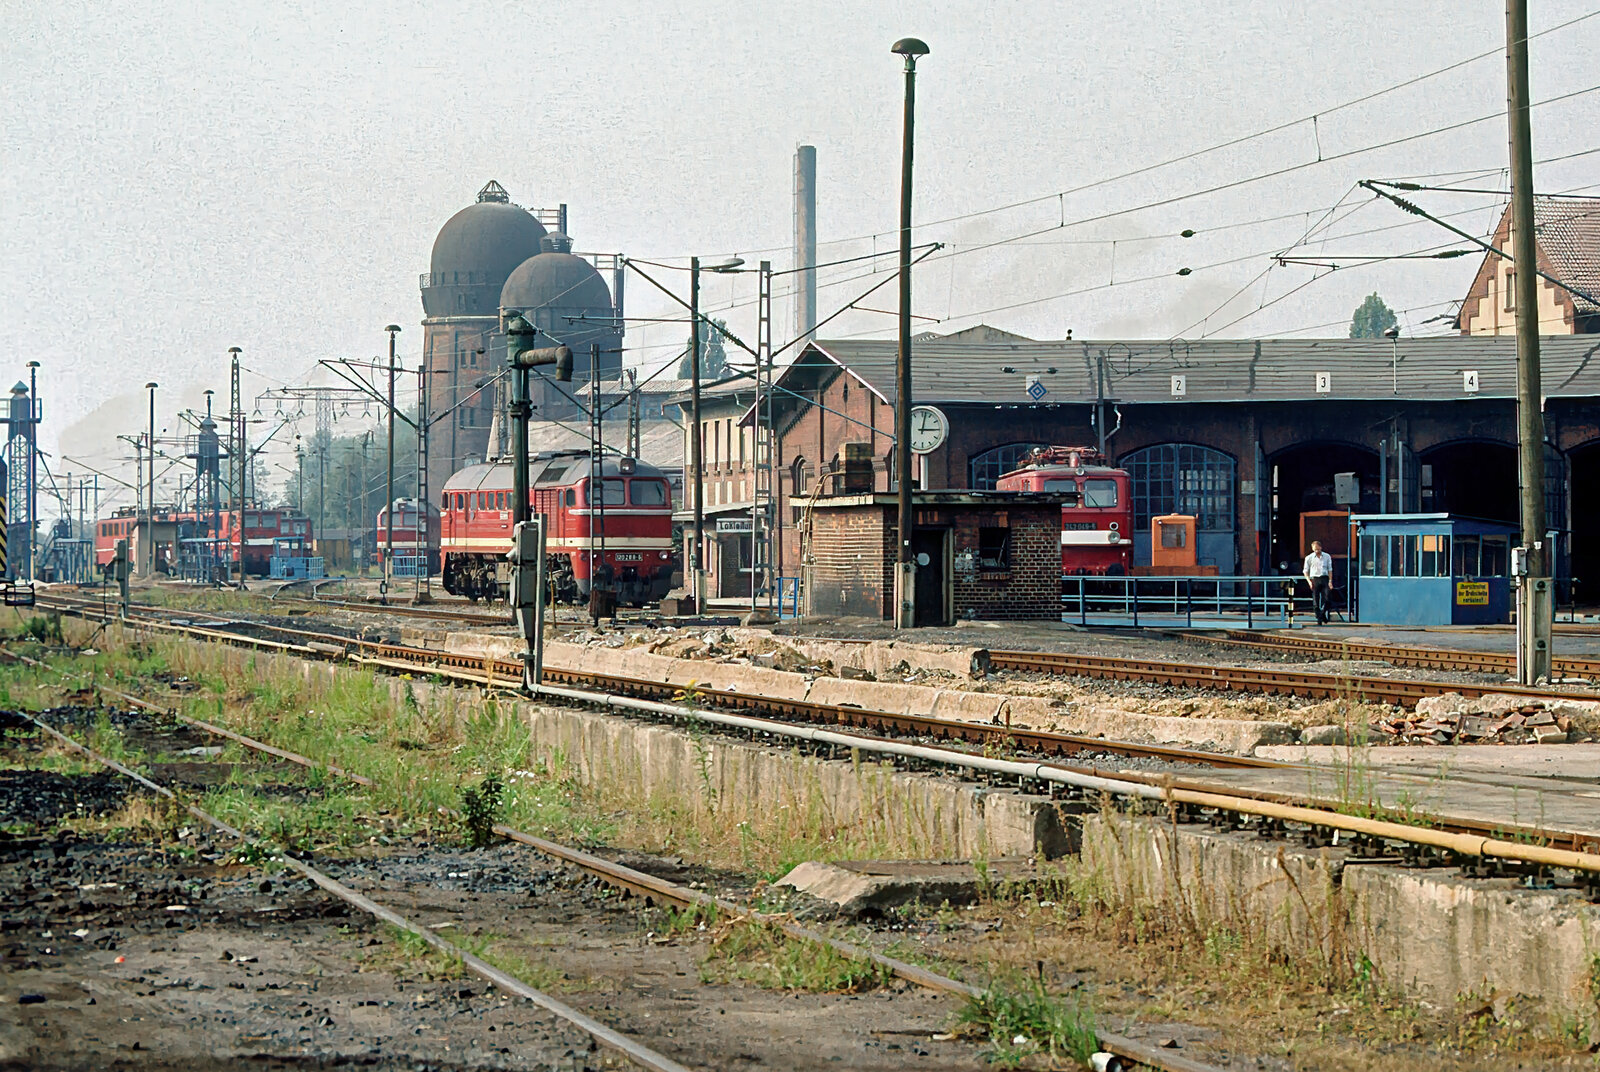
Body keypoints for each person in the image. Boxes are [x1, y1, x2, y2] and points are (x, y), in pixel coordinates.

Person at [1303, 540, 1334, 625]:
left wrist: (1330, 581)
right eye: (1315, 549)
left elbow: (1330, 569)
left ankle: (1322, 614)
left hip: (1324, 578)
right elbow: (1305, 571)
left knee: (1328, 598)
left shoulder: (1327, 556)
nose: (1316, 551)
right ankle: (1320, 618)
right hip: (1315, 578)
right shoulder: (1309, 558)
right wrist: (1309, 581)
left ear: (1321, 547)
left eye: (1318, 549)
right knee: (1315, 600)